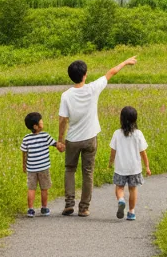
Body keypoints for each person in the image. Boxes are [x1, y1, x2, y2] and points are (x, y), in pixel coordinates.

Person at [58, 55, 138, 217]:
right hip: (90, 138)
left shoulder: (66, 95)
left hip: (72, 139)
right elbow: (111, 72)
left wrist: (60, 140)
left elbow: (62, 120)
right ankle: (84, 208)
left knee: (70, 170)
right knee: (88, 172)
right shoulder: (93, 88)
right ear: (85, 75)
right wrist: (125, 62)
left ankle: (69, 203)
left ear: (70, 76)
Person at [110, 105, 151, 221]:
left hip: (120, 168)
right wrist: (147, 166)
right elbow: (143, 152)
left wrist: (110, 162)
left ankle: (121, 200)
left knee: (119, 187)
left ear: (121, 119)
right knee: (133, 189)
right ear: (135, 119)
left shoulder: (117, 134)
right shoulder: (138, 134)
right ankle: (131, 212)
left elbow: (113, 151)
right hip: (134, 168)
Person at [21, 111, 62, 217]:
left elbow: (24, 153)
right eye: (41, 121)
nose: (42, 122)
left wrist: (24, 166)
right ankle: (44, 208)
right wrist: (62, 145)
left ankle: (30, 209)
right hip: (44, 168)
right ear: (36, 126)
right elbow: (56, 144)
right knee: (44, 188)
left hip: (31, 169)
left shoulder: (26, 138)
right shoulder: (45, 136)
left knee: (31, 189)